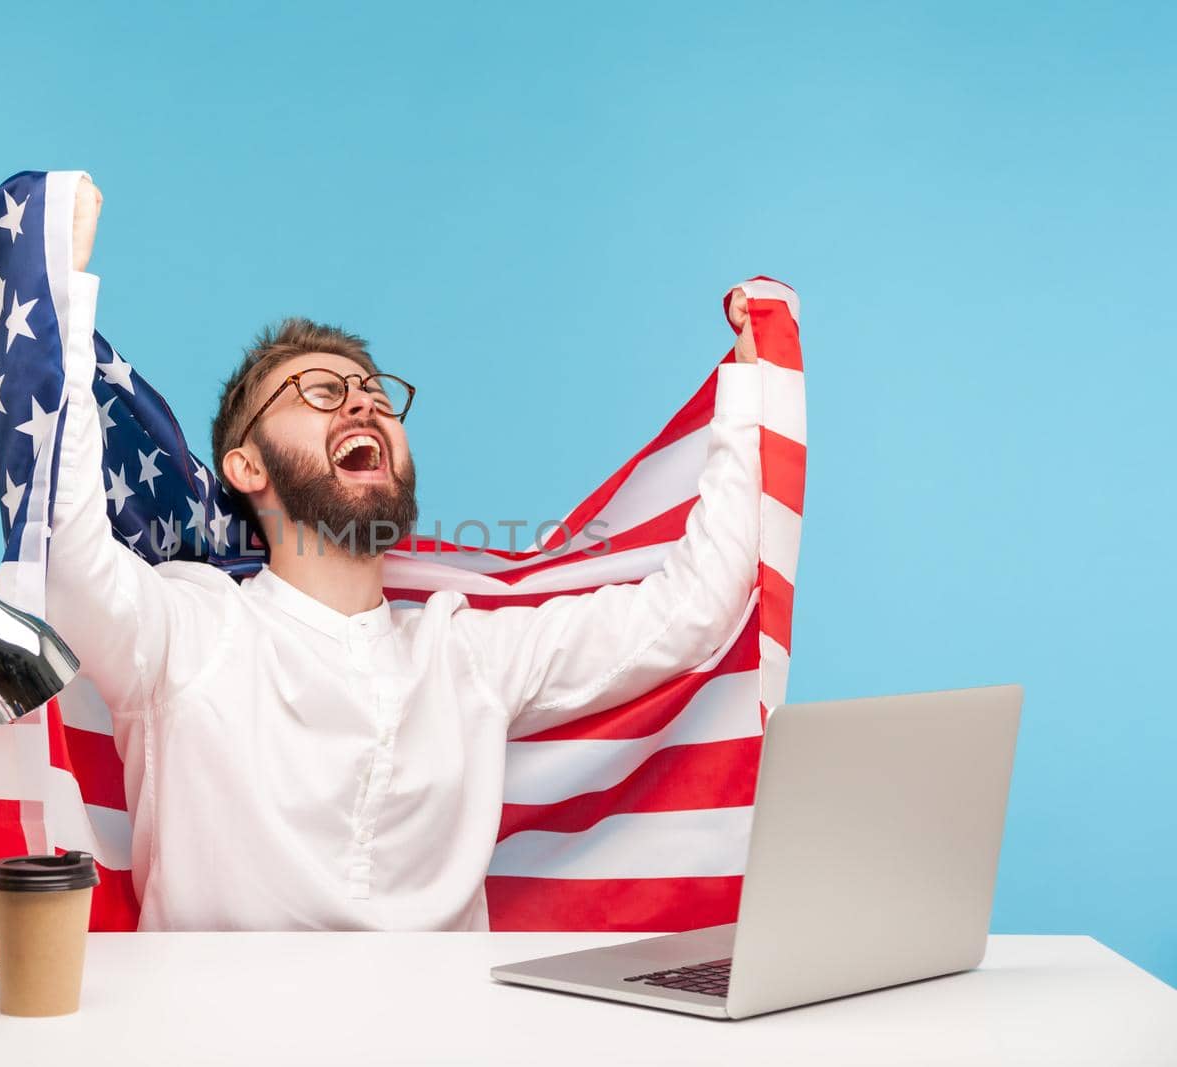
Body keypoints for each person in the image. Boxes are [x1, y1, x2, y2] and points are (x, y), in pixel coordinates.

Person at [48, 176, 763, 930]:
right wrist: (62, 289)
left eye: (374, 393)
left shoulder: (465, 653)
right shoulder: (185, 628)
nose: (362, 402)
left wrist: (753, 386)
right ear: (247, 468)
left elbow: (693, 611)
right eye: (318, 393)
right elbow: (69, 560)